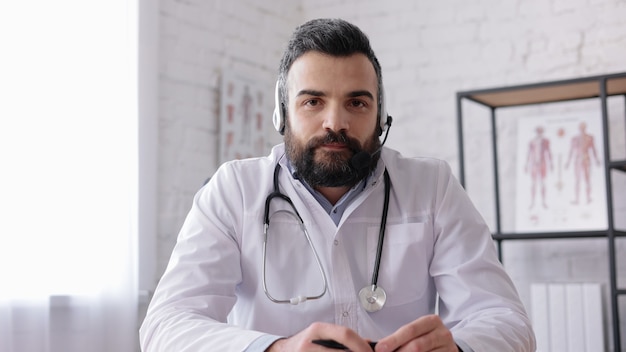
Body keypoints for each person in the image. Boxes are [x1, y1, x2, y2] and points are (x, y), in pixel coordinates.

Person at [139, 18, 536, 352]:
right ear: (282, 114)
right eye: (313, 101)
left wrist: (459, 347)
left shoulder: (432, 186)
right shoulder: (233, 191)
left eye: (357, 103)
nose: (335, 122)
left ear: (380, 116)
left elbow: (508, 321)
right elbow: (165, 326)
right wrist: (276, 348)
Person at [565, 121, 601, 204]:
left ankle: (588, 198)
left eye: (583, 128)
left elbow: (593, 149)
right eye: (581, 128)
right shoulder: (574, 139)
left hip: (586, 160)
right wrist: (568, 162)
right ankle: (577, 199)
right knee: (577, 180)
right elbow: (571, 151)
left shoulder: (590, 138)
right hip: (577, 160)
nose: (582, 129)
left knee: (587, 179)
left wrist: (597, 160)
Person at [524, 125, 553, 209]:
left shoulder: (545, 141)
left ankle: (543, 202)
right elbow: (529, 153)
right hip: (534, 164)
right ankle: (532, 202)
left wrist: (551, 163)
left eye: (540, 131)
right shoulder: (532, 142)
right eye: (538, 131)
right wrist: (526, 164)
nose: (539, 133)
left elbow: (549, 152)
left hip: (542, 164)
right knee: (534, 183)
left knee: (543, 183)